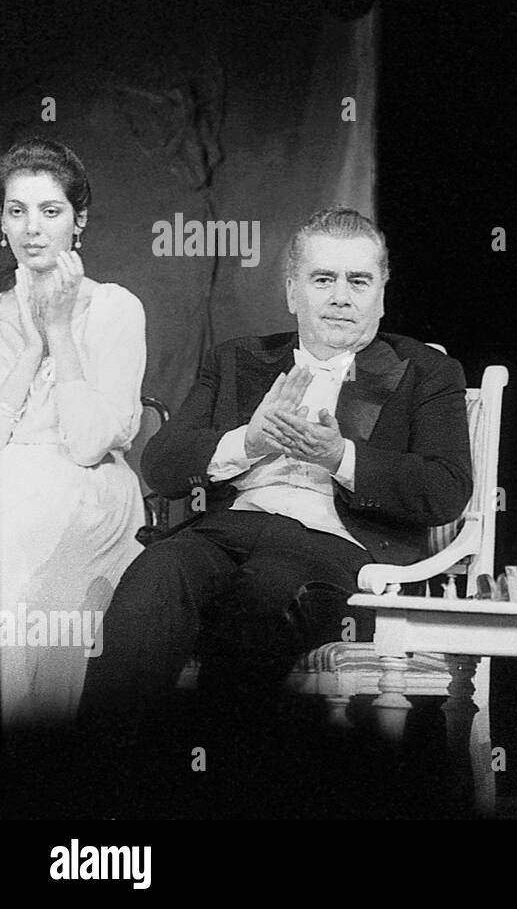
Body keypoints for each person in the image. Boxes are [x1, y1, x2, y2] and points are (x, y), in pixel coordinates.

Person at [78, 207, 472, 801]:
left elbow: (446, 489)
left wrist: (341, 456)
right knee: (153, 577)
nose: (341, 297)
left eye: (358, 281)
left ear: (382, 295)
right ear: (292, 290)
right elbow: (161, 465)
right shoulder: (238, 359)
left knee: (259, 602)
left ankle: (223, 798)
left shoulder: (426, 372)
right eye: (323, 279)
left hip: (335, 549)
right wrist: (248, 441)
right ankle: (96, 791)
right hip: (228, 530)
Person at [0, 138, 147, 728]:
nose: (33, 229)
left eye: (51, 210)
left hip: (86, 488)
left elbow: (89, 444)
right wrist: (29, 347)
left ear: (78, 220)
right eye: (17, 210)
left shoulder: (115, 308)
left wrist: (58, 329)